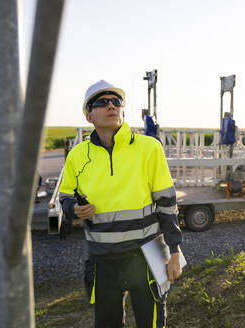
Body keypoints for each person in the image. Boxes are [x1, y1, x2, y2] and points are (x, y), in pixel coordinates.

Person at [59, 80, 182, 327]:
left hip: (146, 255)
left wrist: (175, 251)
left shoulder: (149, 148)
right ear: (88, 115)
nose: (111, 106)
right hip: (102, 260)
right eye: (102, 102)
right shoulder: (77, 155)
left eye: (116, 102)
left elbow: (167, 204)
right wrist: (73, 209)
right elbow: (65, 196)